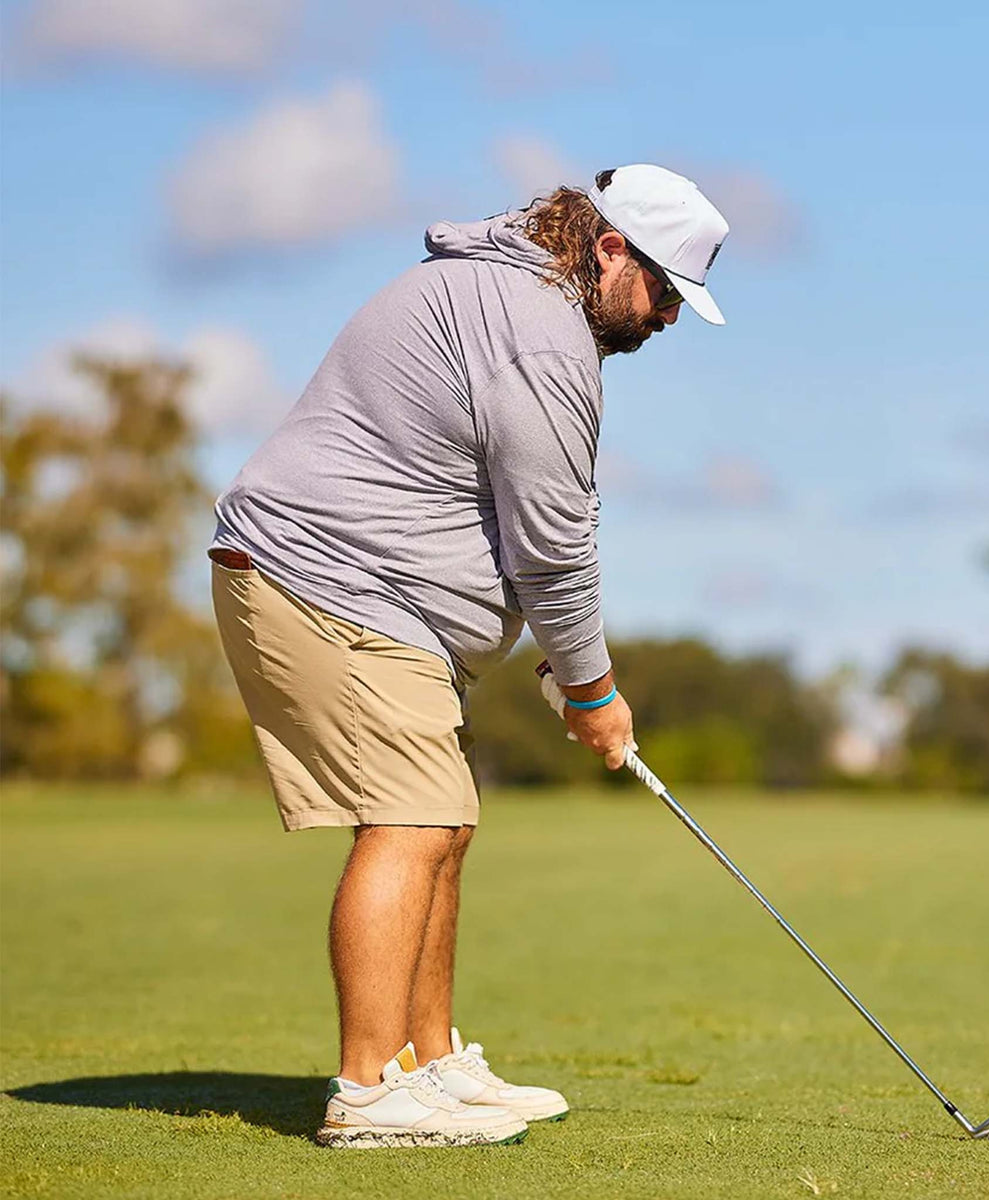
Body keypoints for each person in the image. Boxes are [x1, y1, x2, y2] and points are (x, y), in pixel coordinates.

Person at [208, 163, 729, 1148]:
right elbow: (554, 544)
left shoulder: (522, 306)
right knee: (414, 817)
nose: (664, 318)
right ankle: (369, 1091)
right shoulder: (540, 333)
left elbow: (515, 517)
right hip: (326, 579)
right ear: (610, 250)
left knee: (447, 824)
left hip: (368, 593)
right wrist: (593, 690)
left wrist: (547, 651)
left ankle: (428, 1063)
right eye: (663, 292)